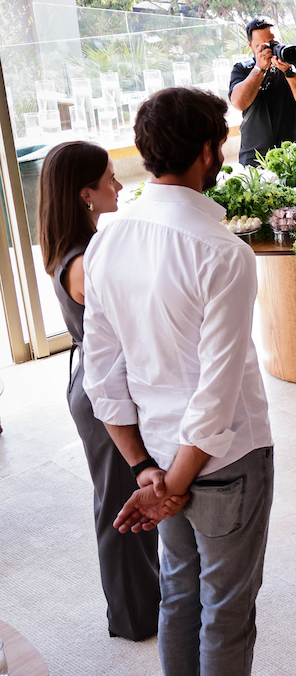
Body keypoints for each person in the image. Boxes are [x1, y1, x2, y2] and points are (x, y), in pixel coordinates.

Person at [83, 87, 274, 673]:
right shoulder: (224, 252)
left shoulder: (108, 237)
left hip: (159, 455)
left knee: (180, 596)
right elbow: (216, 401)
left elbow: (103, 378)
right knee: (225, 613)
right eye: (218, 144)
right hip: (224, 463)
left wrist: (149, 472)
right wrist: (168, 488)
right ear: (205, 152)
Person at [37, 141, 160, 642]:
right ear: (85, 193)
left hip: (98, 382)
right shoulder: (85, 262)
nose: (120, 186)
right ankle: (132, 619)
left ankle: (146, 603)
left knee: (127, 499)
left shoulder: (80, 247)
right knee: (120, 505)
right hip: (103, 392)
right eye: (110, 179)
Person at [229, 17, 296, 165]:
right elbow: (238, 103)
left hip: (294, 154)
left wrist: (289, 71)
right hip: (256, 157)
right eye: (262, 46)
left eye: (273, 43)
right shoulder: (242, 69)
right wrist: (259, 69)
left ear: (280, 40)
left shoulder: (293, 66)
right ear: (250, 45)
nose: (269, 50)